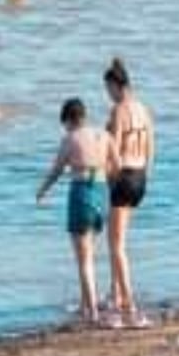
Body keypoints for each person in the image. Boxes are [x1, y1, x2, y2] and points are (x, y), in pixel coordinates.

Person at [34, 97, 114, 326]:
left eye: (65, 124)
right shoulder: (104, 135)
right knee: (91, 253)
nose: (66, 128)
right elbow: (116, 166)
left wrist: (42, 190)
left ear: (69, 120)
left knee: (84, 260)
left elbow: (57, 171)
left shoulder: (70, 139)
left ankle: (92, 313)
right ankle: (85, 303)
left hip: (81, 194)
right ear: (85, 116)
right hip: (101, 193)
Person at [103, 58, 154, 330]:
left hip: (123, 177)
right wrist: (146, 175)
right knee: (120, 241)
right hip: (141, 176)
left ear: (115, 85)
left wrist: (109, 178)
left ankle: (130, 306)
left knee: (115, 246)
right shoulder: (143, 109)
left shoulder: (119, 111)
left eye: (108, 89)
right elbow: (151, 146)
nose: (107, 94)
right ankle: (116, 295)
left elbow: (115, 149)